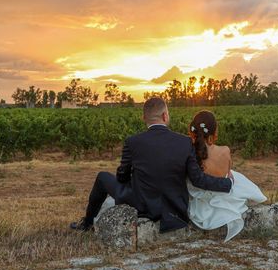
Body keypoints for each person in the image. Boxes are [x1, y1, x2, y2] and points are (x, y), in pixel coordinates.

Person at [70, 97, 233, 232]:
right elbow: (198, 179)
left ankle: (87, 223)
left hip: (141, 206)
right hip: (174, 209)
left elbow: (122, 175)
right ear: (165, 116)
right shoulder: (184, 142)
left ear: (144, 118)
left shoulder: (133, 142)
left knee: (102, 177)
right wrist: (227, 183)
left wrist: (129, 183)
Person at [186, 110, 267, 241]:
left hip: (200, 202)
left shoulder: (189, 151)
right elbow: (227, 173)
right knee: (234, 176)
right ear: (214, 131)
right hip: (222, 191)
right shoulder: (225, 150)